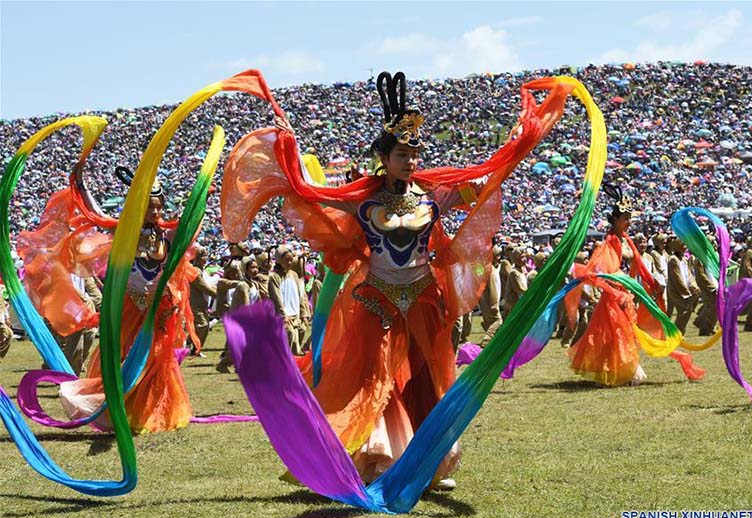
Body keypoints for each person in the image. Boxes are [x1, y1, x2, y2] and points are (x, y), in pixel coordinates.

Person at [221, 70, 572, 489]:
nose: (411, 161)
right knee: (372, 378)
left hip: (423, 298)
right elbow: (313, 195)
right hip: (377, 300)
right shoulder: (362, 199)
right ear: (384, 159)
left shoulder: (432, 195)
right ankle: (376, 456)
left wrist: (516, 145)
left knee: (427, 377)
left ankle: (431, 461)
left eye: (415, 154)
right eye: (403, 155)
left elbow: (480, 185)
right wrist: (290, 151)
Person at [58, 177, 198, 433]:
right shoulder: (126, 230)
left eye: (158, 208)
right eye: (150, 207)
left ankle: (147, 412)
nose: (155, 212)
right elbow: (98, 216)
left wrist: (200, 195)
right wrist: (83, 186)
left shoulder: (166, 234)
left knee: (156, 360)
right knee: (122, 355)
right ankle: (114, 407)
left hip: (159, 307)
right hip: (130, 306)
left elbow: (189, 224)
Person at [566, 184, 705, 386]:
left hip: (626, 293)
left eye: (630, 218)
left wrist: (649, 283)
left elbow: (637, 265)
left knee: (626, 334)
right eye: (625, 219)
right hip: (615, 295)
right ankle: (622, 372)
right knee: (615, 334)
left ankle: (624, 371)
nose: (629, 222)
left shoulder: (627, 241)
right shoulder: (610, 241)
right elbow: (607, 269)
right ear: (615, 219)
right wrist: (619, 289)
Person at [667, 239, 699, 335]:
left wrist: (694, 286)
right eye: (683, 245)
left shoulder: (684, 260)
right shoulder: (673, 259)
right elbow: (677, 278)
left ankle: (679, 332)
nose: (685, 247)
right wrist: (685, 292)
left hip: (685, 289)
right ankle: (677, 333)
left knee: (687, 311)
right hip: (676, 291)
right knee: (684, 310)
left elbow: (689, 275)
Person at [189, 246, 217, 356]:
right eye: (203, 256)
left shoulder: (202, 270)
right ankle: (192, 345)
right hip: (195, 304)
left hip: (203, 303)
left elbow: (209, 285)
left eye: (206, 256)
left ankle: (195, 347)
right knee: (203, 325)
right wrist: (219, 295)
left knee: (202, 327)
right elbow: (204, 287)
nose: (205, 258)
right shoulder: (195, 271)